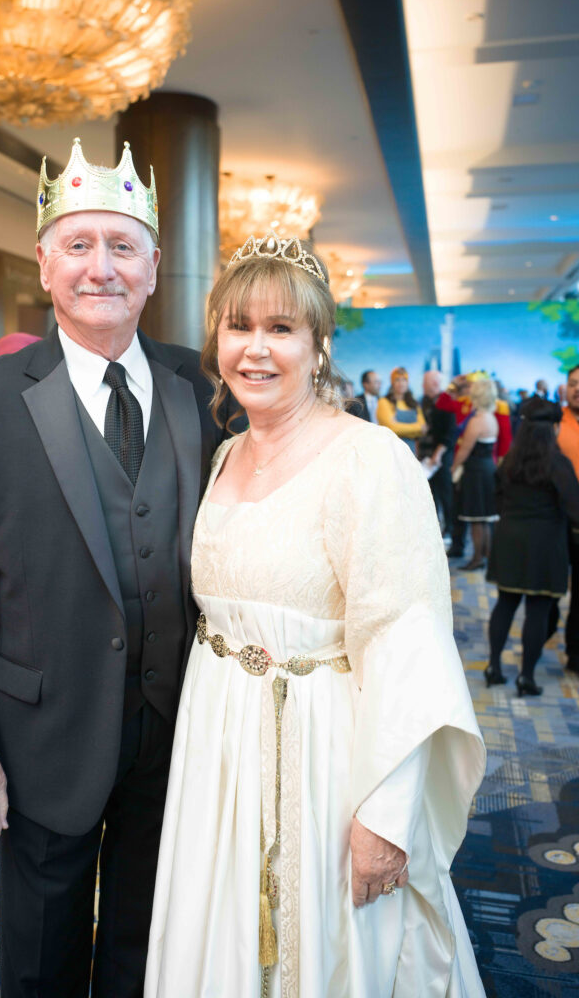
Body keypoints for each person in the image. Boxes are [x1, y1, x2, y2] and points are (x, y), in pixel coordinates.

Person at [0, 138, 236, 998]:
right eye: (81, 245)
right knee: (42, 950)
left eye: (123, 247)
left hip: (181, 732)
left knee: (151, 940)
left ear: (155, 266)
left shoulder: (202, 387)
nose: (103, 268)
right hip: (43, 736)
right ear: (46, 262)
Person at [145, 233, 485, 997]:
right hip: (217, 746)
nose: (255, 351)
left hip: (324, 752)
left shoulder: (370, 460)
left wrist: (385, 815)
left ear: (318, 344)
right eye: (239, 327)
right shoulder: (226, 453)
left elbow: (406, 640)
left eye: (280, 329)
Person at [486, 399, 579, 695]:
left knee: (506, 603)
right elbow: (574, 507)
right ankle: (526, 676)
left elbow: (496, 497)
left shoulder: (509, 461)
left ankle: (493, 667)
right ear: (552, 428)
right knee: (537, 611)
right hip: (546, 542)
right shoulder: (558, 463)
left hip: (509, 537)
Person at [451, 378, 500, 571]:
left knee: (475, 518)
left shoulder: (477, 421)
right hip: (488, 468)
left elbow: (464, 450)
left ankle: (477, 558)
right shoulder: (492, 418)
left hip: (476, 472)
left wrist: (453, 467)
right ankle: (486, 557)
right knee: (485, 518)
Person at [557, 364, 579, 672]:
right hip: (558, 521)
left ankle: (574, 651)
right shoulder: (554, 423)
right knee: (552, 590)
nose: (577, 389)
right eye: (573, 383)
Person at [419, 369, 456, 535]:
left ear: (433, 384)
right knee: (430, 495)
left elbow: (450, 432)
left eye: (424, 383)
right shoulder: (424, 402)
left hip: (441, 457)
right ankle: (434, 530)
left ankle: (449, 529)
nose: (422, 386)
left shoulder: (446, 401)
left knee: (445, 494)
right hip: (425, 457)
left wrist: (438, 454)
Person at [376, 366, 426, 453]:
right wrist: (416, 428)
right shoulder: (384, 402)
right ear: (392, 382)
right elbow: (391, 428)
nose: (401, 383)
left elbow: (423, 429)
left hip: (411, 451)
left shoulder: (414, 403)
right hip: (392, 450)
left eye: (404, 379)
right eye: (397, 379)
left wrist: (399, 426)